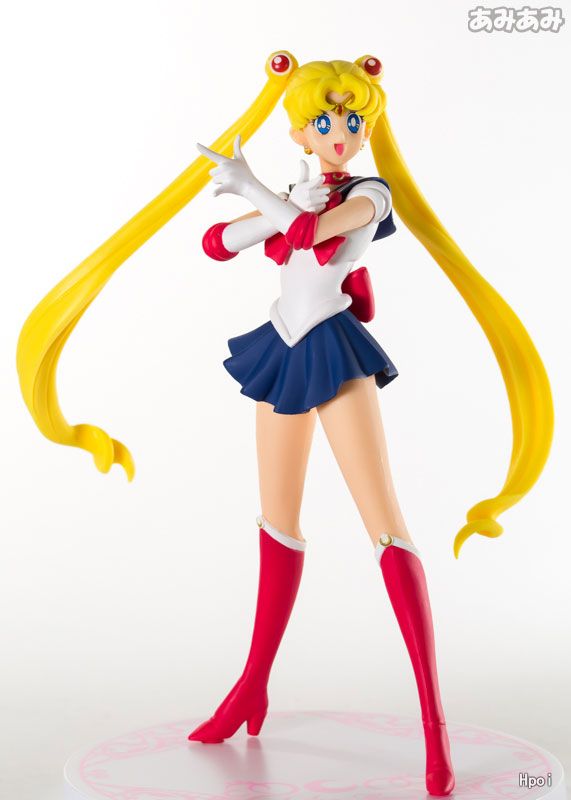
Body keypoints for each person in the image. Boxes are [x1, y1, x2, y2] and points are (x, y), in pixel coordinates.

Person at [16, 53, 554, 798]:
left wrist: (254, 191)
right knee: (277, 523)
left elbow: (308, 234)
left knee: (385, 528)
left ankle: (433, 727)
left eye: (354, 119)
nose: (341, 132)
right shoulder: (295, 192)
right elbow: (217, 244)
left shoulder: (370, 193)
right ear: (299, 131)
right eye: (325, 121)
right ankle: (251, 686)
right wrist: (253, 204)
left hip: (335, 353)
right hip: (280, 348)